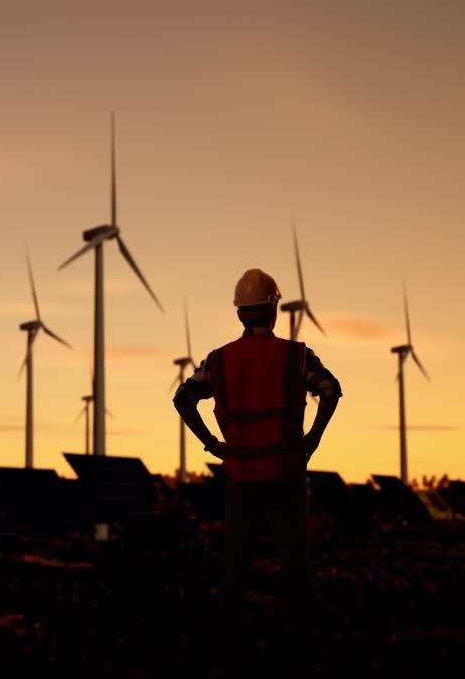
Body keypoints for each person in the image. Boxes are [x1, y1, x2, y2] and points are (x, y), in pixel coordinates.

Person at [173, 268, 341, 668]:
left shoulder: (219, 361)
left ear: (239, 314)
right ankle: (302, 650)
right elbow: (330, 391)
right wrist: (313, 438)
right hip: (285, 473)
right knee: (296, 565)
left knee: (235, 565)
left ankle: (225, 648)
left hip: (240, 475)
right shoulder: (296, 356)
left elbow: (183, 398)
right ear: (274, 308)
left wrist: (212, 443)